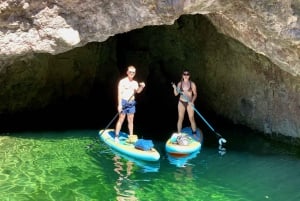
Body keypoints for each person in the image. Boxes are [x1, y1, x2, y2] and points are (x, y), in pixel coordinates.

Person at [114, 65, 145, 142]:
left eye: (133, 72)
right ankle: (116, 136)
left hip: (131, 103)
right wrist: (119, 104)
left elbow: (137, 91)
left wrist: (142, 87)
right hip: (124, 102)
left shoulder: (135, 82)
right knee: (121, 119)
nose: (132, 73)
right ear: (127, 72)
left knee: (131, 120)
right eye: (130, 72)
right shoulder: (122, 81)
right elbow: (119, 94)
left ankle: (131, 136)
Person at [172, 69, 198, 136]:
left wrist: (192, 101)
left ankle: (194, 133)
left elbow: (195, 94)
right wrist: (175, 87)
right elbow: (176, 94)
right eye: (184, 74)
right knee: (180, 118)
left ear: (189, 76)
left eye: (187, 74)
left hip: (190, 103)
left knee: (191, 118)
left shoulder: (192, 84)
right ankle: (179, 134)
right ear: (182, 75)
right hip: (181, 102)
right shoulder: (179, 84)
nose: (186, 75)